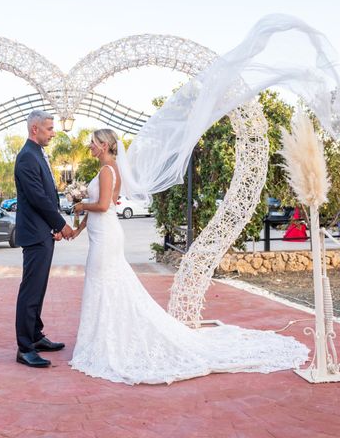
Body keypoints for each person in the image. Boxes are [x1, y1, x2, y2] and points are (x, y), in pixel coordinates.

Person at [68, 129, 309, 385]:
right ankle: (104, 337)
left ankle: (109, 340)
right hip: (102, 233)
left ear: (104, 145)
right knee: (104, 285)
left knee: (105, 284)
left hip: (106, 237)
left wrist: (82, 204)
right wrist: (77, 228)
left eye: (93, 143)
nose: (90, 146)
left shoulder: (107, 170)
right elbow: (100, 209)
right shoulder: (108, 168)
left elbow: (104, 206)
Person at [13, 110, 75, 368]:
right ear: (34, 129)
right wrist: (61, 224)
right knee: (31, 290)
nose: (53, 132)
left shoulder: (37, 153)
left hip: (43, 233)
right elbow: (38, 197)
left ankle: (36, 336)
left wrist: (55, 227)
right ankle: (25, 347)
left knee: (39, 288)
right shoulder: (27, 157)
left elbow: (48, 195)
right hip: (35, 234)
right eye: (49, 128)